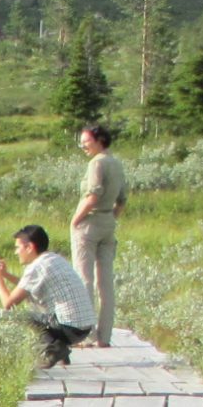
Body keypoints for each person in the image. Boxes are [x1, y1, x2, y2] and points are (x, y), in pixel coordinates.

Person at [0, 224, 96, 366]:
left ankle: (52, 349)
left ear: (30, 247)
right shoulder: (54, 259)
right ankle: (60, 353)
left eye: (18, 247)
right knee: (39, 313)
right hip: (84, 328)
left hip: (68, 328)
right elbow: (26, 286)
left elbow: (8, 304)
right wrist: (5, 274)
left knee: (17, 316)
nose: (16, 252)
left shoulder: (36, 267)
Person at [70, 122, 128, 347]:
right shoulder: (116, 163)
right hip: (108, 222)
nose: (83, 146)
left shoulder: (96, 164)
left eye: (86, 142)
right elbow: (122, 199)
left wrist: (76, 219)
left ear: (99, 140)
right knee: (105, 282)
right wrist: (112, 217)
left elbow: (92, 195)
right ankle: (104, 337)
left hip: (89, 223)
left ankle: (85, 334)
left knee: (84, 278)